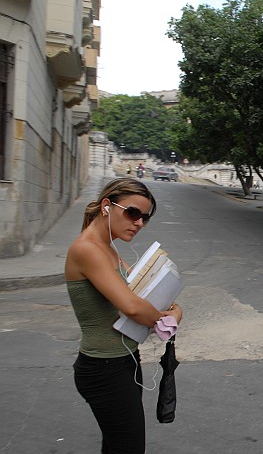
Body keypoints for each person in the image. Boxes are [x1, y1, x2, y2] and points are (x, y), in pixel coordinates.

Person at [65, 178, 183, 453]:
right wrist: (165, 318)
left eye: (144, 217)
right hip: (104, 369)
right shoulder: (87, 249)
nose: (139, 223)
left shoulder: (108, 247)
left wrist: (170, 309)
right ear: (107, 206)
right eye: (132, 213)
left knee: (118, 446)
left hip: (122, 363)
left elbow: (140, 292)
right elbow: (131, 306)